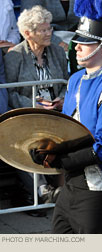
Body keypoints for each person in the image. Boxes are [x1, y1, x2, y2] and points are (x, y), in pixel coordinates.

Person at [30, 0, 102, 233]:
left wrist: (63, 160)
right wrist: (47, 151)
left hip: (101, 187)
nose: (76, 46)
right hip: (73, 183)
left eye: (85, 43)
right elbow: (69, 129)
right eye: (77, 40)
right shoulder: (76, 79)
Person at [3, 5, 68, 212]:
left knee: (64, 137)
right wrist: (35, 105)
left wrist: (61, 100)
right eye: (43, 30)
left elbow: (68, 84)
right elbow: (10, 92)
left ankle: (62, 193)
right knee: (27, 141)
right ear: (28, 33)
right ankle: (42, 190)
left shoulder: (57, 52)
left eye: (49, 28)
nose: (49, 33)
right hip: (29, 113)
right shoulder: (15, 56)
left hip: (56, 111)